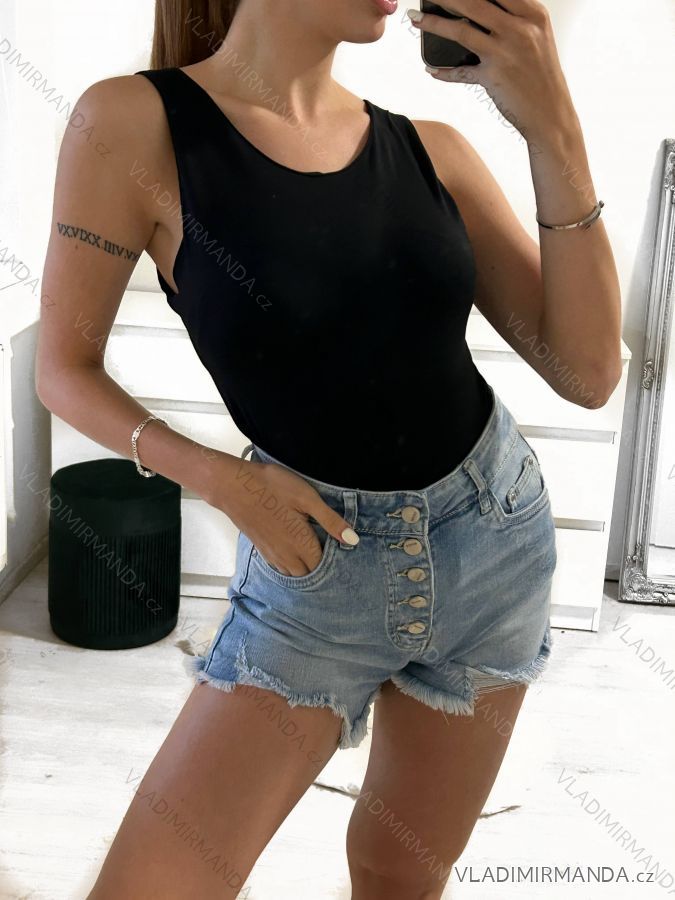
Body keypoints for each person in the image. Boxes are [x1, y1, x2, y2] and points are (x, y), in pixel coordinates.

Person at [36, 0, 622, 896]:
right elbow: (63, 368)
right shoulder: (133, 124)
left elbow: (587, 374)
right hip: (312, 570)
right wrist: (221, 481)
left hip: (493, 543)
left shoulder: (431, 151)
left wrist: (553, 128)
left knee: (397, 872)